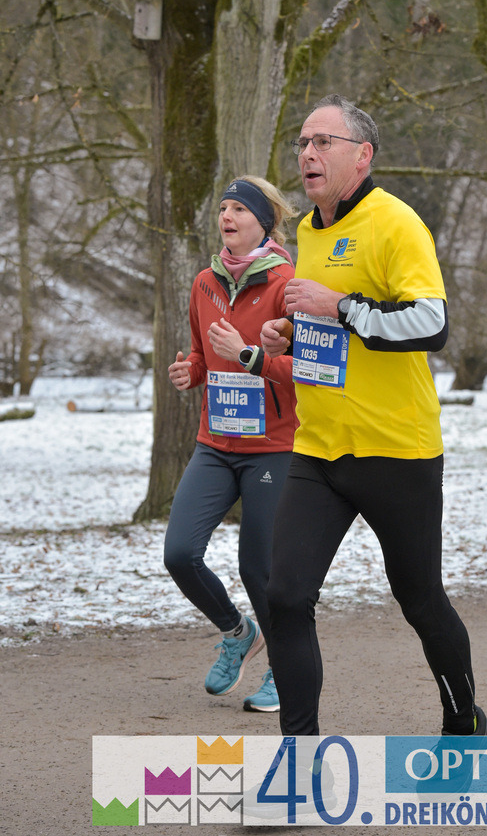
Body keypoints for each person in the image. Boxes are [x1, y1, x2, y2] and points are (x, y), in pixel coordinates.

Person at [261, 94, 487, 737]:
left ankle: (463, 721)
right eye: (302, 143)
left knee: (419, 598)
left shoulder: (396, 222)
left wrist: (338, 305)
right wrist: (290, 334)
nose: (307, 153)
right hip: (319, 448)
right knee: (285, 596)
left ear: (361, 155)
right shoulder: (308, 231)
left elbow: (431, 324)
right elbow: (331, 330)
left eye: (323, 142)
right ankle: (299, 753)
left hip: (396, 450)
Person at [164, 175, 298, 713]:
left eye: (239, 209)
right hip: (215, 444)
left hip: (272, 447)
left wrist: (249, 354)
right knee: (179, 553)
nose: (227, 216)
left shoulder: (288, 285)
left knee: (257, 568)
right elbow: (201, 354)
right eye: (223, 207)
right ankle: (238, 632)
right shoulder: (204, 283)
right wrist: (191, 371)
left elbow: (305, 371)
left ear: (264, 222)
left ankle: (284, 671)